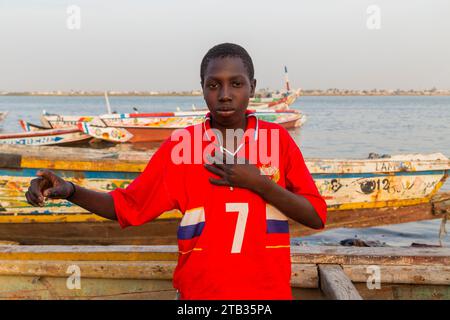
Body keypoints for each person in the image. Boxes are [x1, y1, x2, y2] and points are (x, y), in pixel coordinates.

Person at [26, 43, 327, 300]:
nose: (224, 94)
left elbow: (315, 216)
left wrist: (260, 184)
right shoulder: (181, 147)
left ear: (253, 87)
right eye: (214, 84)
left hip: (266, 296)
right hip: (199, 296)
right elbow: (128, 207)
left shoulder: (278, 140)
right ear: (202, 89)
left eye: (236, 83)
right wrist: (70, 191)